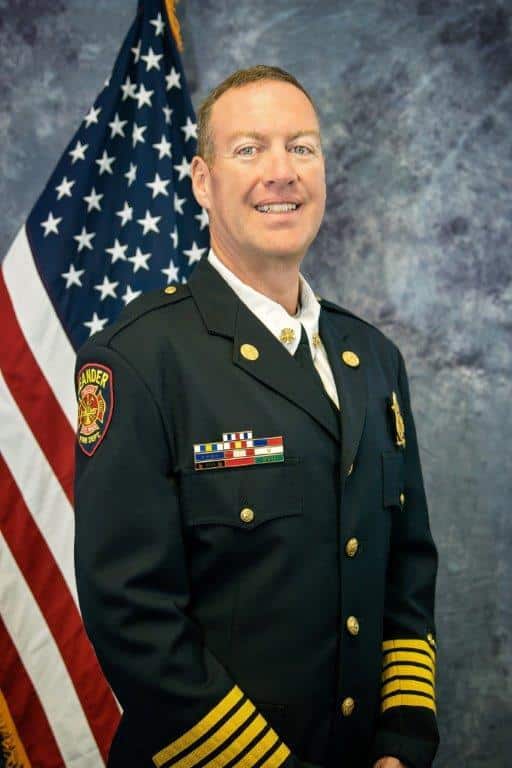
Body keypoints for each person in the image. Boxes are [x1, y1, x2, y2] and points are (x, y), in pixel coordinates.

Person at [74, 65, 439, 768]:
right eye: (250, 149)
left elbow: (406, 574)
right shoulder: (138, 358)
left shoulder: (375, 358)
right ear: (202, 182)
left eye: (301, 147)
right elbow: (131, 613)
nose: (282, 172)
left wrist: (400, 744)